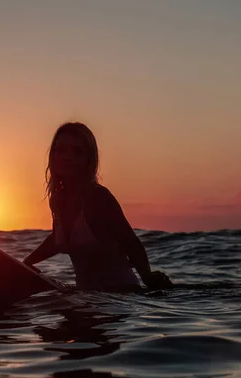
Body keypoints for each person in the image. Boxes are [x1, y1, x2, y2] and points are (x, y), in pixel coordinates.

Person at [23, 122, 172, 292]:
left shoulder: (99, 197)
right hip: (86, 297)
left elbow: (130, 242)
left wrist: (147, 276)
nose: (67, 156)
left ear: (89, 159)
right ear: (52, 155)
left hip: (119, 296)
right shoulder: (58, 199)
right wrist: (26, 264)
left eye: (77, 152)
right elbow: (56, 240)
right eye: (61, 150)